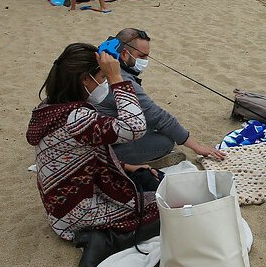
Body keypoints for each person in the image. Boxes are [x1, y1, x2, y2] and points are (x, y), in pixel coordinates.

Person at [26, 43, 160, 267]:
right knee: (167, 210)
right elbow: (135, 127)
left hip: (60, 207)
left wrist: (127, 166)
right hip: (77, 214)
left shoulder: (49, 107)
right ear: (85, 80)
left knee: (147, 179)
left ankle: (100, 232)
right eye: (101, 76)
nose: (105, 82)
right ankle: (105, 240)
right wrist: (118, 78)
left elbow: (82, 154)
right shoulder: (77, 117)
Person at [96, 28, 228, 167]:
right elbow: (158, 116)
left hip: (104, 131)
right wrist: (197, 147)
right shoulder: (121, 79)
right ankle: (128, 164)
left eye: (147, 56)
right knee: (165, 142)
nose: (145, 61)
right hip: (103, 147)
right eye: (141, 56)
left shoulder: (104, 62)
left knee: (151, 127)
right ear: (123, 54)